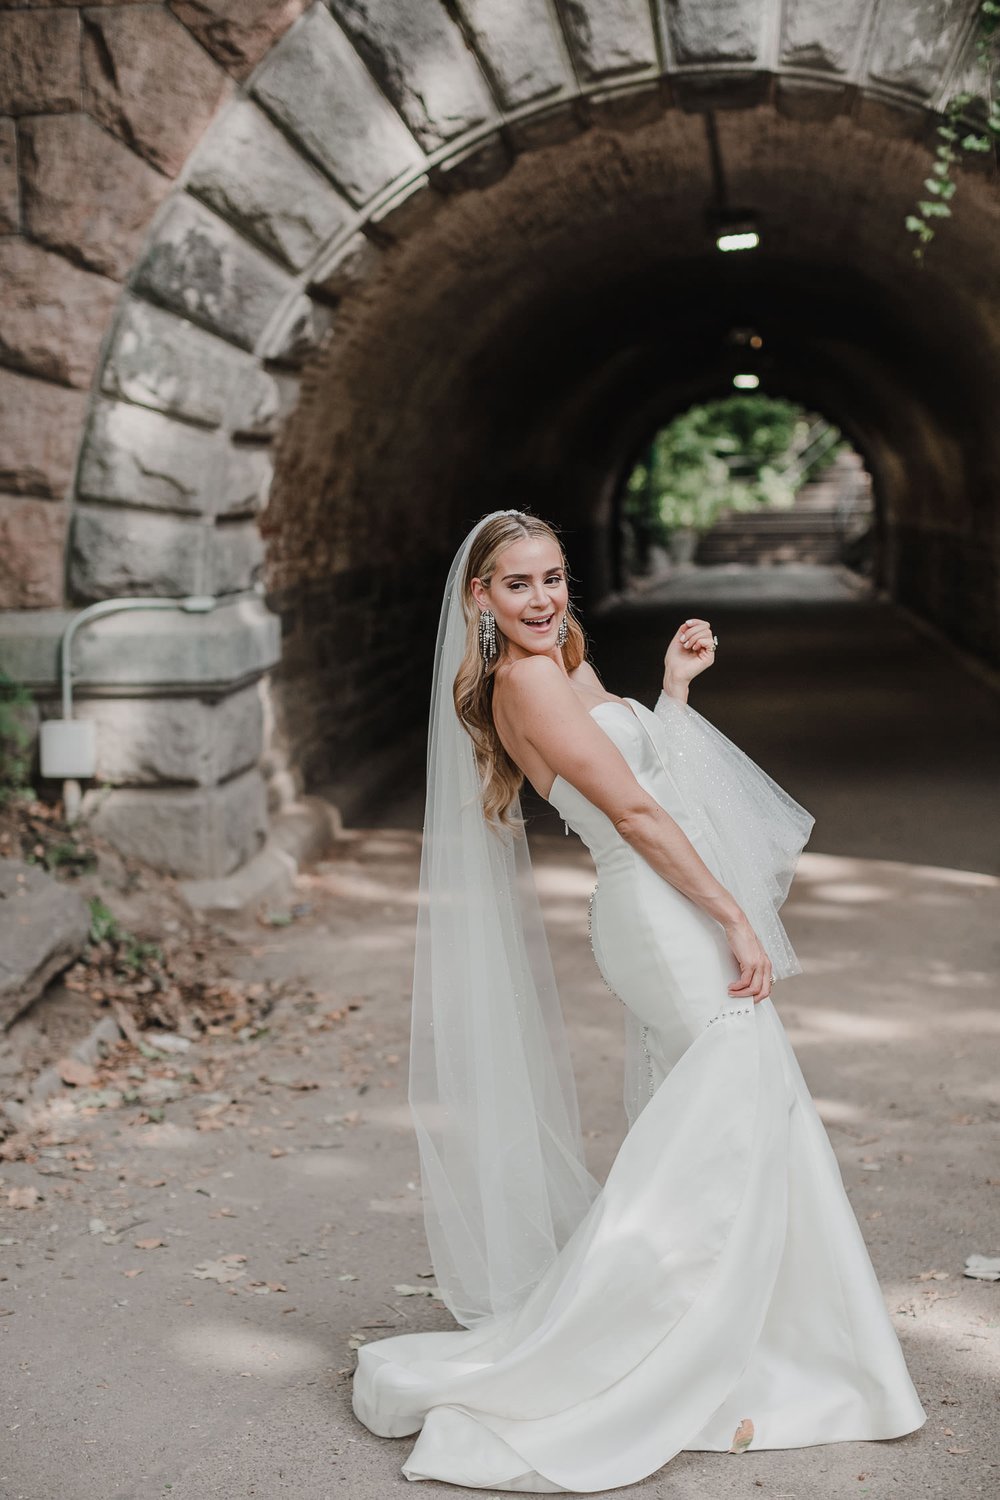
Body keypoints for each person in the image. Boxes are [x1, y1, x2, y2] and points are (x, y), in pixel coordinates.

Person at [351, 509, 926, 1492]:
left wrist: (669, 690)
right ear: (480, 597)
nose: (540, 599)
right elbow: (629, 812)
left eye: (551, 577)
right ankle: (631, 1343)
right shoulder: (523, 679)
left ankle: (744, 1335)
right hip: (656, 917)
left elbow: (639, 762)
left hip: (666, 909)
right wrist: (732, 920)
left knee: (743, 1113)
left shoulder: (561, 659)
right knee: (727, 1120)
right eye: (518, 584)